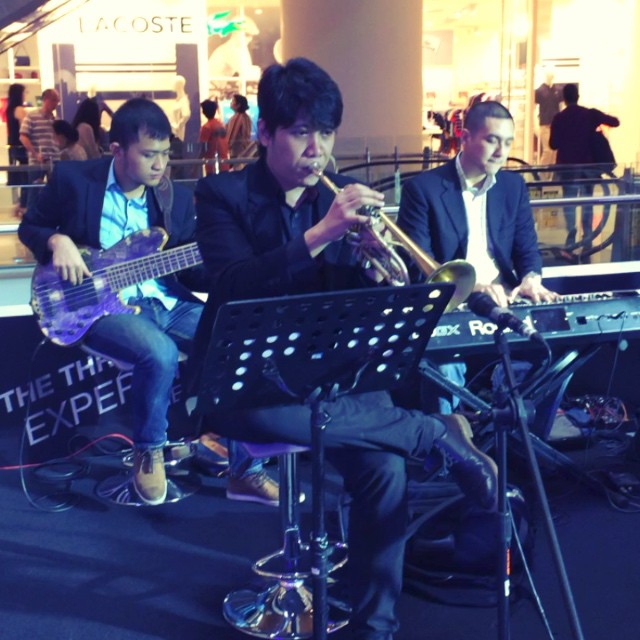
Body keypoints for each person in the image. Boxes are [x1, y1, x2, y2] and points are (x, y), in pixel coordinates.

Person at [190, 57, 498, 640]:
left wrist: (371, 269)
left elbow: (350, 303)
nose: (318, 150)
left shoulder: (332, 200)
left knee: (384, 470)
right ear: (265, 133)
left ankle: (374, 627)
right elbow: (231, 284)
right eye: (301, 132)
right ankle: (433, 432)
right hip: (245, 379)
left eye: (327, 133)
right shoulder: (221, 194)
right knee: (276, 418)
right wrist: (323, 233)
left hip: (326, 372)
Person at [17, 97, 274, 507]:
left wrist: (229, 264)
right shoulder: (73, 180)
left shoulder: (175, 198)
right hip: (91, 307)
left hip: (164, 301)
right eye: (149, 154)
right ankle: (149, 450)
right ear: (117, 150)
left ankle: (244, 470)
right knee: (160, 352)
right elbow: (31, 227)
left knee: (238, 341)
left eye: (166, 154)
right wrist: (57, 240)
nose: (160, 165)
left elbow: (191, 272)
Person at [398, 100, 558, 412]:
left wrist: (531, 278)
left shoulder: (513, 186)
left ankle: (517, 434)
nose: (501, 151)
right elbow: (419, 266)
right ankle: (451, 439)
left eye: (507, 142)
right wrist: (471, 288)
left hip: (504, 300)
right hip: (452, 305)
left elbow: (527, 248)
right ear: (465, 137)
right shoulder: (422, 189)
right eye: (492, 140)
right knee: (443, 367)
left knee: (551, 352)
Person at [549, 83, 620, 249]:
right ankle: (587, 234)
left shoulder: (559, 118)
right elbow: (615, 122)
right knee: (587, 200)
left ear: (564, 99)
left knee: (569, 201)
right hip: (588, 167)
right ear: (578, 96)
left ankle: (571, 233)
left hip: (567, 168)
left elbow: (553, 144)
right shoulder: (590, 114)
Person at [19, 88, 61, 207]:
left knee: (55, 193)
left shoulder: (55, 119)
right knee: (34, 192)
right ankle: (31, 215)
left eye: (57, 101)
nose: (56, 104)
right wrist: (35, 154)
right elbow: (23, 136)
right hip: (37, 161)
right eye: (54, 100)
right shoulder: (32, 116)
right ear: (46, 100)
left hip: (54, 160)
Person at [5, 83, 28, 215]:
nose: (25, 95)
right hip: (21, 146)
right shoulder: (19, 109)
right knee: (26, 175)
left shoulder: (9, 109)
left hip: (12, 145)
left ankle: (18, 204)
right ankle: (23, 205)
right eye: (24, 92)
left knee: (15, 175)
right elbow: (24, 130)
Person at [534, 70, 561, 167]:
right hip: (545, 124)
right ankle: (541, 173)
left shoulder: (556, 90)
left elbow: (560, 106)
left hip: (555, 125)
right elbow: (533, 107)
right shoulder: (540, 91)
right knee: (548, 150)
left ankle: (551, 174)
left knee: (554, 152)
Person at [198, 99, 229, 175]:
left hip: (212, 164)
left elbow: (203, 147)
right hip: (224, 163)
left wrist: (197, 159)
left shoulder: (206, 127)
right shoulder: (220, 124)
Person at [226, 93, 253, 166]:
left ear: (238, 105)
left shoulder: (237, 118)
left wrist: (227, 146)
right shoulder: (246, 117)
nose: (231, 103)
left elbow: (231, 136)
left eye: (233, 101)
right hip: (245, 152)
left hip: (237, 153)